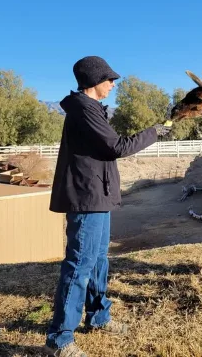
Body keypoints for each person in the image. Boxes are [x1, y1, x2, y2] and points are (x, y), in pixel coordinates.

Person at [44, 56, 171, 357]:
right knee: (79, 265)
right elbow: (118, 147)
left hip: (96, 195)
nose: (114, 84)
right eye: (109, 79)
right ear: (93, 82)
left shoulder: (90, 110)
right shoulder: (86, 110)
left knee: (99, 259)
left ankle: (98, 317)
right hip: (87, 198)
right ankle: (59, 339)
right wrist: (153, 132)